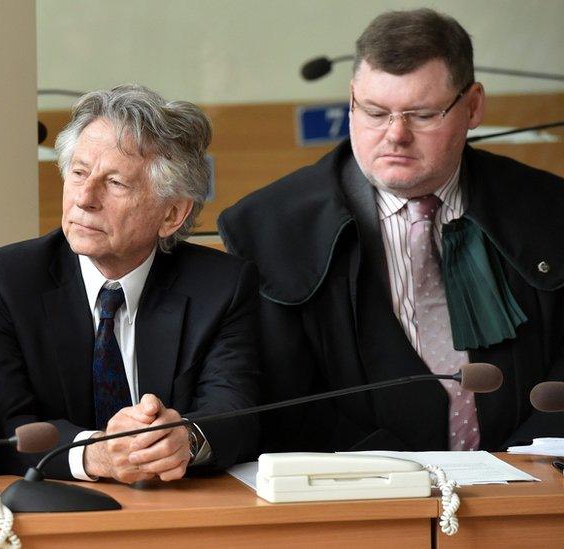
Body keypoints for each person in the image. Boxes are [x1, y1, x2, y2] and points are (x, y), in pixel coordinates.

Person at [218, 8, 564, 453]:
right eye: (375, 111)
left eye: (421, 115)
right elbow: (283, 401)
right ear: (351, 100)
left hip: (529, 490)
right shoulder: (267, 228)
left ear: (473, 106)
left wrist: (530, 461)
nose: (395, 135)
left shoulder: (548, 209)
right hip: (361, 494)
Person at [0, 85, 259, 483]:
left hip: (178, 508)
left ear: (172, 213)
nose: (84, 198)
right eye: (79, 172)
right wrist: (94, 455)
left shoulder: (222, 285)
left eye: (115, 183)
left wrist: (183, 439)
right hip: (47, 511)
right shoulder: (2, 282)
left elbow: (236, 408)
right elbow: (1, 428)